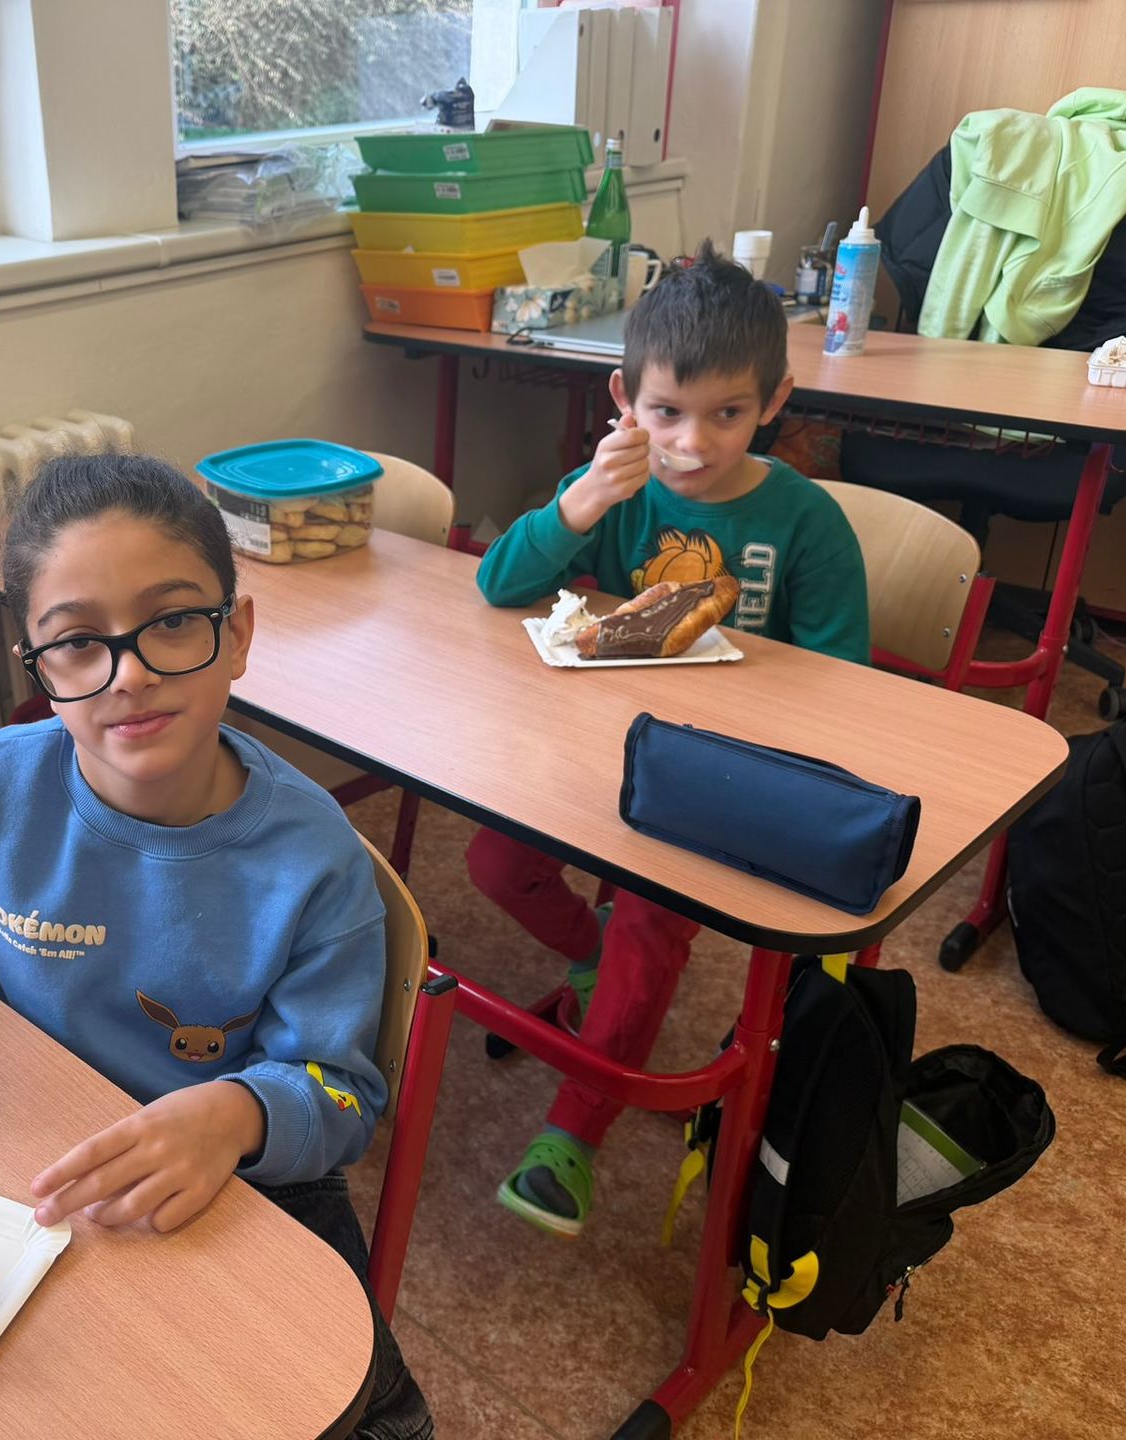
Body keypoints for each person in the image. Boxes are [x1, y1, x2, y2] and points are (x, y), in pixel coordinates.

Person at [0, 451, 432, 1437]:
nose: (129, 674)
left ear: (237, 634)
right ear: (36, 664)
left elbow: (340, 1091)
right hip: (46, 1139)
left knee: (349, 1401)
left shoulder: (313, 859)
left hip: (250, 1166)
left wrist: (238, 1114)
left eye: (173, 621)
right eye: (77, 643)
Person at [472, 239, 870, 1237]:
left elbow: (846, 687)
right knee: (494, 863)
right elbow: (499, 586)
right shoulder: (614, 490)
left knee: (652, 921)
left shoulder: (807, 521)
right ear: (624, 400)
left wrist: (757, 698)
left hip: (716, 775)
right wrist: (577, 506)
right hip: (594, 748)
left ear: (774, 403)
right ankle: (591, 955)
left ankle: (573, 1135)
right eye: (667, 413)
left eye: (727, 414)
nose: (692, 443)